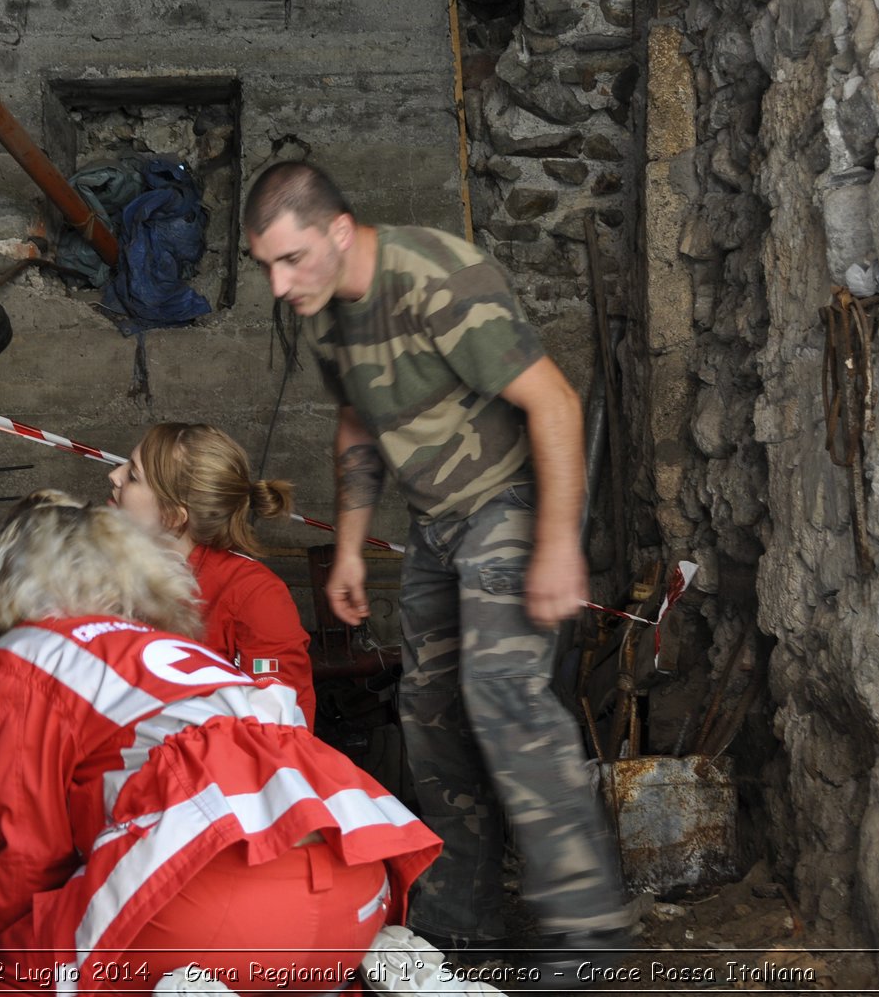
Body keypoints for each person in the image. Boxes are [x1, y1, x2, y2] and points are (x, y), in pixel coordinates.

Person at [243, 162, 641, 983]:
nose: (280, 284)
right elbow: (357, 419)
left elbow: (556, 402)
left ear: (340, 232)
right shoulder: (322, 315)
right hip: (434, 528)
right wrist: (351, 543)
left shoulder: (438, 279)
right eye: (266, 267)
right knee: (428, 713)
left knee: (504, 698)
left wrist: (559, 544)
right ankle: (462, 922)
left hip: (510, 503)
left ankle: (590, 931)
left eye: (292, 260)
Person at [0, 491, 441, 994]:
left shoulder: (26, 654)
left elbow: (31, 856)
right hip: (356, 892)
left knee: (0, 977)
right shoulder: (180, 650)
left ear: (5, 579)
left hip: (211, 908)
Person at [108, 421, 317, 727]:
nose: (113, 475)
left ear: (173, 515)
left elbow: (281, 733)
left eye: (133, 475)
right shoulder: (106, 572)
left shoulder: (255, 595)